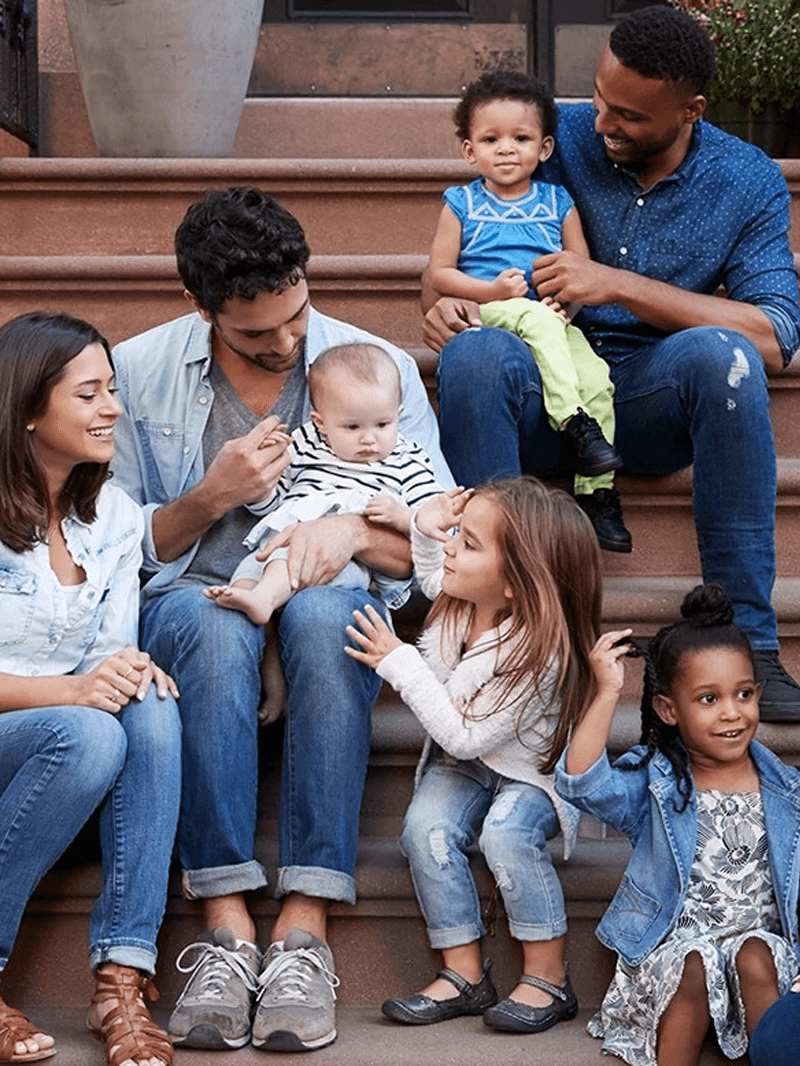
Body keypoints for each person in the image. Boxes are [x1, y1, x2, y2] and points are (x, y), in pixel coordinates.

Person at [109, 186, 453, 1053]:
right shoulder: (138, 370)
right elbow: (113, 552)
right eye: (256, 332)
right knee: (218, 630)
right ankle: (225, 928)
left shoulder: (378, 367)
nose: (286, 342)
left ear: (305, 279)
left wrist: (348, 529)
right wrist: (210, 497)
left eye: (295, 315)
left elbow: (436, 551)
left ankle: (303, 928)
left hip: (328, 594)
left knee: (330, 608)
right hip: (195, 595)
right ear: (200, 305)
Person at [424, 4, 800, 720]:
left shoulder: (745, 180)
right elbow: (454, 246)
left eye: (627, 115)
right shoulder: (555, 132)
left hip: (644, 398)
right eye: (598, 98)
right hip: (541, 389)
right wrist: (440, 302)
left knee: (724, 358)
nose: (601, 124)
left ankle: (747, 641)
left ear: (691, 110)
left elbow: (774, 334)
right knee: (475, 353)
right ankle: (501, 638)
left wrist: (617, 285)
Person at [345, 477, 600, 1035]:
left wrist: (400, 665)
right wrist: (427, 528)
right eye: (459, 534)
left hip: (529, 774)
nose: (452, 550)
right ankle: (464, 972)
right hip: (469, 764)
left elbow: (462, 734)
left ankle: (549, 977)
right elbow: (434, 569)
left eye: (470, 543)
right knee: (424, 830)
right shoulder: (465, 598)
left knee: (505, 835)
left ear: (514, 584)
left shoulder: (539, 656)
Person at [0, 311, 181, 1066]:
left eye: (113, 390)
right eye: (89, 394)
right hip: (37, 731)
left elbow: (109, 653)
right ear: (29, 409)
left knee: (149, 705)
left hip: (69, 739)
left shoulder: (111, 514)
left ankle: (121, 978)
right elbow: (79, 700)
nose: (112, 408)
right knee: (88, 728)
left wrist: (126, 671)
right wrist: (74, 694)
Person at [554, 583, 800, 1066]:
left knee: (757, 952)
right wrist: (606, 690)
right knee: (695, 962)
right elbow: (582, 784)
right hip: (675, 960)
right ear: (668, 710)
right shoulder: (656, 781)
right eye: (708, 699)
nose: (732, 712)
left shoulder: (784, 787)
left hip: (758, 955)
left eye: (744, 694)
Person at [428, 70, 630, 552]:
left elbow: (579, 268)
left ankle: (597, 494)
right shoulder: (462, 204)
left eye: (520, 138)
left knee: (596, 376)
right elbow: (440, 273)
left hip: (549, 320)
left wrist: (569, 302)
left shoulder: (558, 202)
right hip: (491, 314)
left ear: (544, 148)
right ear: (469, 151)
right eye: (490, 139)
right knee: (535, 318)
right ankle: (574, 425)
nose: (505, 149)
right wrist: (491, 290)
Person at [205, 342, 443, 724]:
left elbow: (432, 523)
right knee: (248, 576)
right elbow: (271, 506)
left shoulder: (407, 459)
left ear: (399, 415)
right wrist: (264, 487)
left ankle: (265, 601)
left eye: (383, 424)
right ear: (320, 422)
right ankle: (273, 672)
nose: (369, 439)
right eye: (352, 427)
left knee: (271, 581)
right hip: (278, 543)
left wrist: (400, 515)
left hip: (344, 564)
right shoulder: (304, 446)